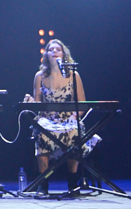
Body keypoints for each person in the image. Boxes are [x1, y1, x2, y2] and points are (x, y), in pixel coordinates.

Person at [23, 38, 95, 195]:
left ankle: (72, 181)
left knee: (74, 132)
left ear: (64, 54)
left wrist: (74, 117)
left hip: (68, 119)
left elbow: (82, 103)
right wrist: (29, 102)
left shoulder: (74, 75)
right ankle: (43, 183)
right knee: (41, 131)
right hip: (47, 119)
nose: (54, 51)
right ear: (47, 55)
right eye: (51, 49)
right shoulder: (40, 76)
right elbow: (37, 103)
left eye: (58, 49)